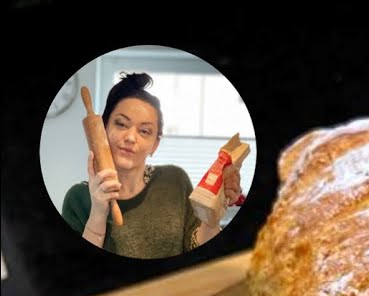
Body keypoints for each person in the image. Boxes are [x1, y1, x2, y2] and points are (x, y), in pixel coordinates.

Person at [60, 72, 243, 259]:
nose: (131, 137)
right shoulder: (78, 198)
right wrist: (98, 213)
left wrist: (213, 215)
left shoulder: (174, 181)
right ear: (104, 128)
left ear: (155, 144)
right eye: (121, 124)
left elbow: (200, 252)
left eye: (145, 131)